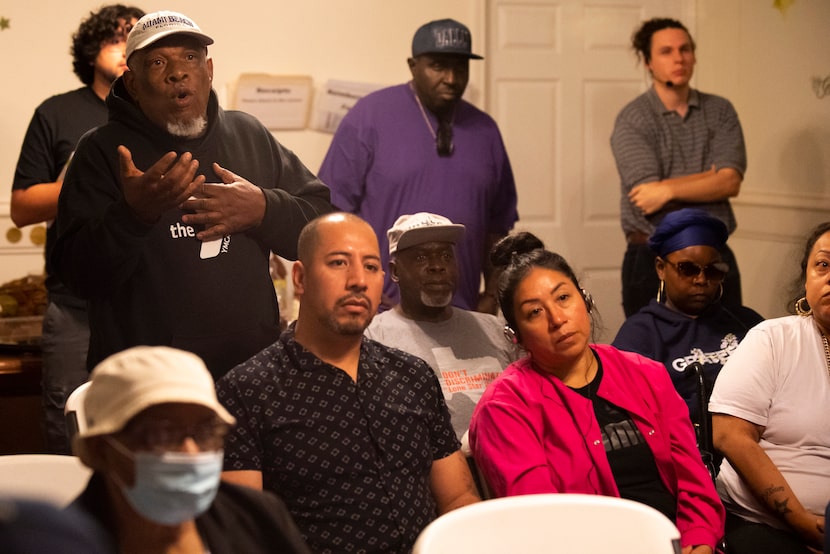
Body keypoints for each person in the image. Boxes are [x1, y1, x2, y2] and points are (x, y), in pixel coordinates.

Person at [50, 10, 333, 379]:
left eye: (190, 58)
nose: (177, 72)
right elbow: (78, 276)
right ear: (133, 84)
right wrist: (134, 215)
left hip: (252, 375)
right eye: (157, 62)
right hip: (146, 384)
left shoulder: (248, 134)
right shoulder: (102, 151)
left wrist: (263, 208)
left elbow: (323, 230)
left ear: (209, 70)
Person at [217, 212, 480, 553]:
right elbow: (243, 537)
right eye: (339, 263)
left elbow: (458, 498)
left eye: (371, 267)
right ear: (300, 278)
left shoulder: (413, 377)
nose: (358, 280)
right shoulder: (247, 392)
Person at [469, 232, 724, 554]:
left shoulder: (647, 374)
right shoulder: (505, 408)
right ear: (515, 335)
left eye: (563, 298)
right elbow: (540, 525)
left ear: (584, 300)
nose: (558, 319)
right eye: (535, 312)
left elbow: (694, 484)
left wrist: (699, 540)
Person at [10, 4, 144, 454]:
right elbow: (23, 207)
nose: (125, 48)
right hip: (74, 306)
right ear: (91, 51)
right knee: (69, 431)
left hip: (145, 300)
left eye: (134, 38)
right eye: (115, 38)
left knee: (143, 429)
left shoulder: (158, 115)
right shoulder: (57, 113)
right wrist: (76, 182)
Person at [318, 18, 518, 314]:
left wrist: (491, 297)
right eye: (438, 66)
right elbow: (330, 216)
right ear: (413, 66)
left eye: (460, 67)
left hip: (463, 314)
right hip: (380, 311)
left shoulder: (485, 130)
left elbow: (497, 228)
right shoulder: (369, 117)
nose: (451, 78)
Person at [68, 345, 311, 554]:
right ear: (100, 449)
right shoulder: (62, 542)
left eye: (205, 433)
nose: (191, 452)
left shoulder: (258, 516)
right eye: (162, 435)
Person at [610, 17, 747, 318]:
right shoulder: (633, 119)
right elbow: (647, 196)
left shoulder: (720, 110)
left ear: (694, 55)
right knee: (652, 360)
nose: (678, 58)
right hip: (651, 258)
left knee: (730, 352)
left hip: (715, 254)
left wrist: (667, 188)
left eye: (685, 49)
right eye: (666, 51)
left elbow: (730, 182)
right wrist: (711, 176)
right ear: (648, 61)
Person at [710, 221, 830, 553]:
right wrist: (803, 522)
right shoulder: (773, 339)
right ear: (806, 277)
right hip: (762, 523)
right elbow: (729, 435)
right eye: (823, 264)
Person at [365, 212, 516, 440]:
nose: (437, 266)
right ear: (395, 272)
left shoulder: (495, 329)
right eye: (421, 258)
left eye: (446, 256)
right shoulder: (373, 338)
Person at [613, 208, 763, 426]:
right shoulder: (639, 335)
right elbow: (631, 414)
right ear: (661, 268)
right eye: (688, 269)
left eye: (713, 271)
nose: (701, 279)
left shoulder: (747, 323)